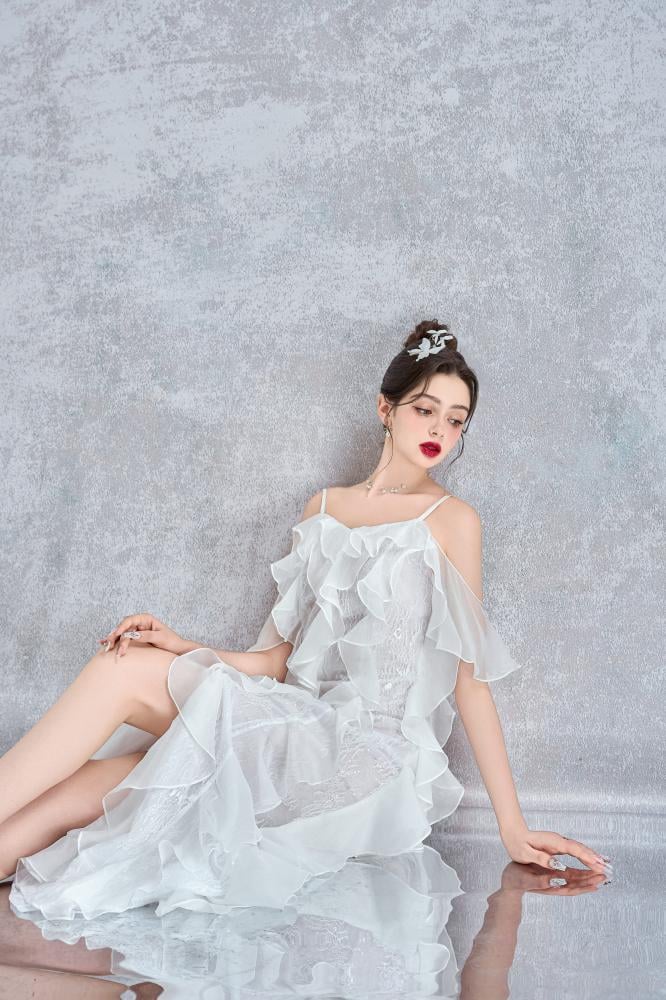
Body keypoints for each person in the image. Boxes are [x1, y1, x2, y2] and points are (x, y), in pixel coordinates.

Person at [3, 319, 612, 920]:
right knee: (82, 791)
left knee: (122, 673)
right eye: (425, 410)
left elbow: (470, 683)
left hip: (363, 755)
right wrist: (180, 645)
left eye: (456, 420)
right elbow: (277, 661)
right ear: (386, 408)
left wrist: (513, 827)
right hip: (289, 721)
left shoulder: (453, 521)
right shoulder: (322, 508)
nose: (439, 431)